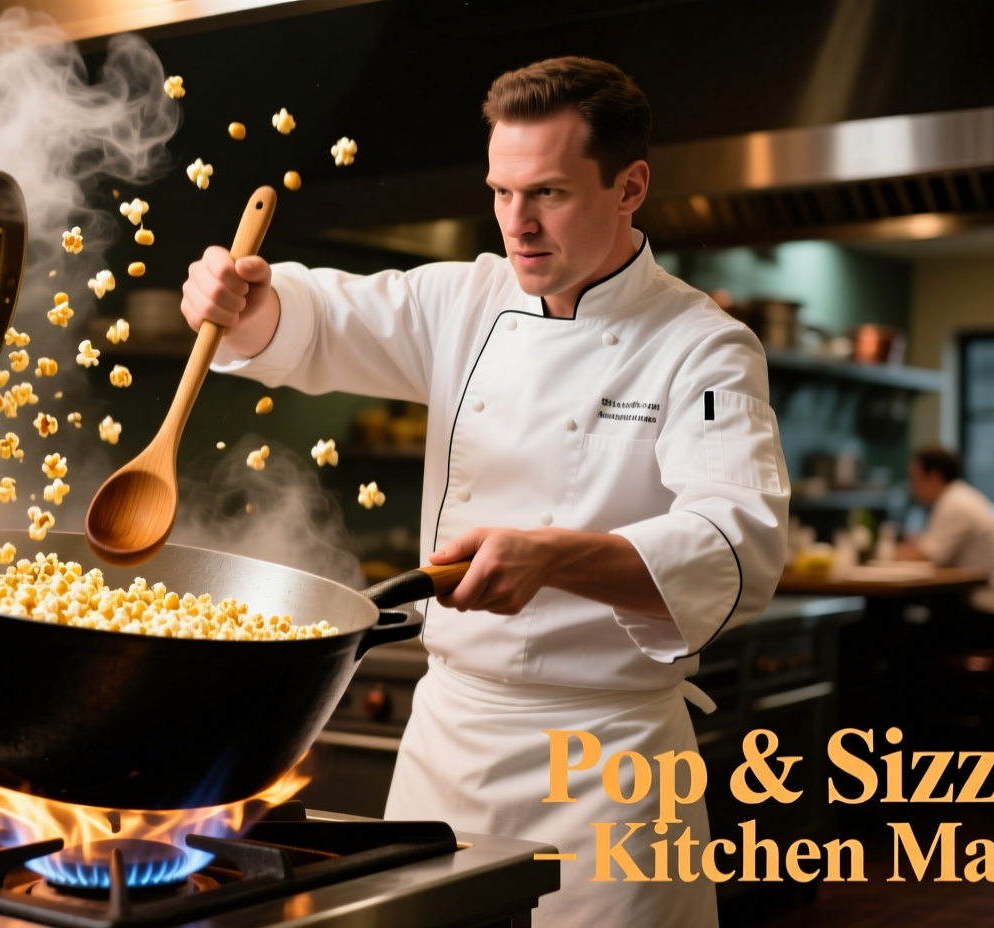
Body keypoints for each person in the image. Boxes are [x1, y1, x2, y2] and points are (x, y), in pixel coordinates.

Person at [180, 57, 787, 927]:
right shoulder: (464, 300)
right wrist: (242, 305)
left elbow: (741, 541)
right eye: (501, 191)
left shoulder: (705, 348)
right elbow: (320, 317)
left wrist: (554, 558)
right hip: (448, 747)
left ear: (631, 187)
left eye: (549, 193)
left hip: (609, 767)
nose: (518, 224)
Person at [895, 446, 994, 614]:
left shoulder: (954, 504)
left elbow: (928, 556)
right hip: (992, 600)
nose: (912, 486)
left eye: (915, 478)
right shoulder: (960, 495)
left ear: (934, 477)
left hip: (984, 606)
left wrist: (889, 552)